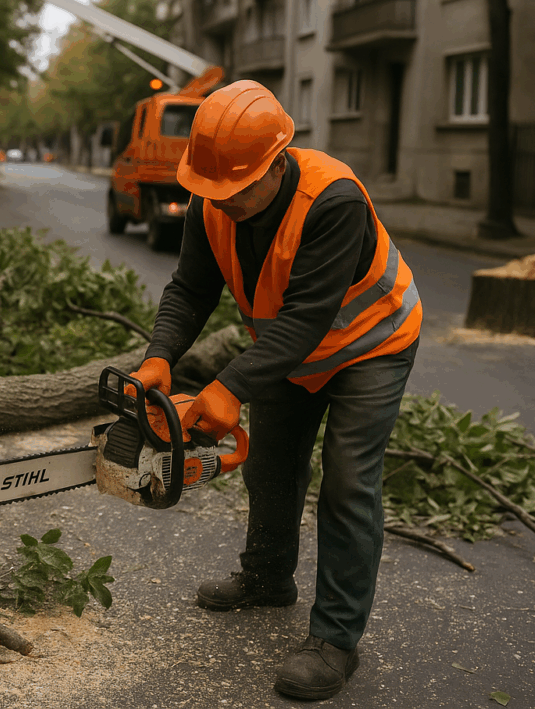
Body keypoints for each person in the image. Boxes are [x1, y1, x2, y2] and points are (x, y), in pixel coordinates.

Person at [130, 80, 421, 701]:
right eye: (215, 190)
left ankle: (337, 640)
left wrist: (229, 387)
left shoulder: (333, 198)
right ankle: (267, 579)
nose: (225, 202)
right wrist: (159, 357)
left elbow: (308, 316)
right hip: (290, 349)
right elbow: (190, 288)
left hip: (372, 342)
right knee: (269, 463)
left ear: (277, 163)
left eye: (237, 190)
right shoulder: (214, 199)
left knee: (347, 476)